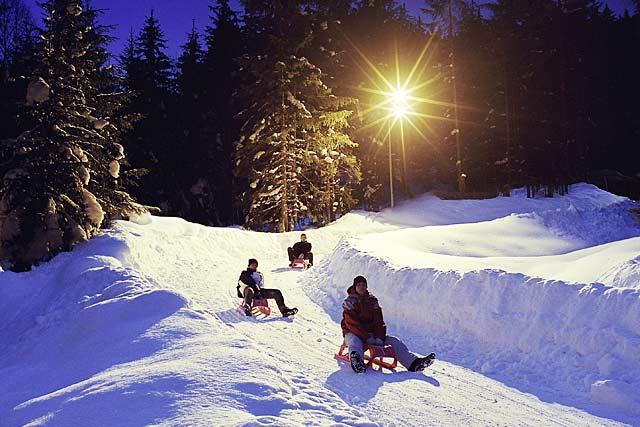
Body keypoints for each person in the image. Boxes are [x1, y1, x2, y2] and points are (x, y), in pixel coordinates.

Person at [341, 275, 435, 373]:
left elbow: (379, 321)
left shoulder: (372, 301)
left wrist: (379, 338)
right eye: (359, 285)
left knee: (394, 341)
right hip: (354, 332)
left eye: (364, 285)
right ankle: (357, 362)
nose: (361, 287)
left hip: (371, 334)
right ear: (355, 287)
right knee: (354, 342)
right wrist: (365, 337)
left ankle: (414, 363)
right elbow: (351, 323)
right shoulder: (350, 302)